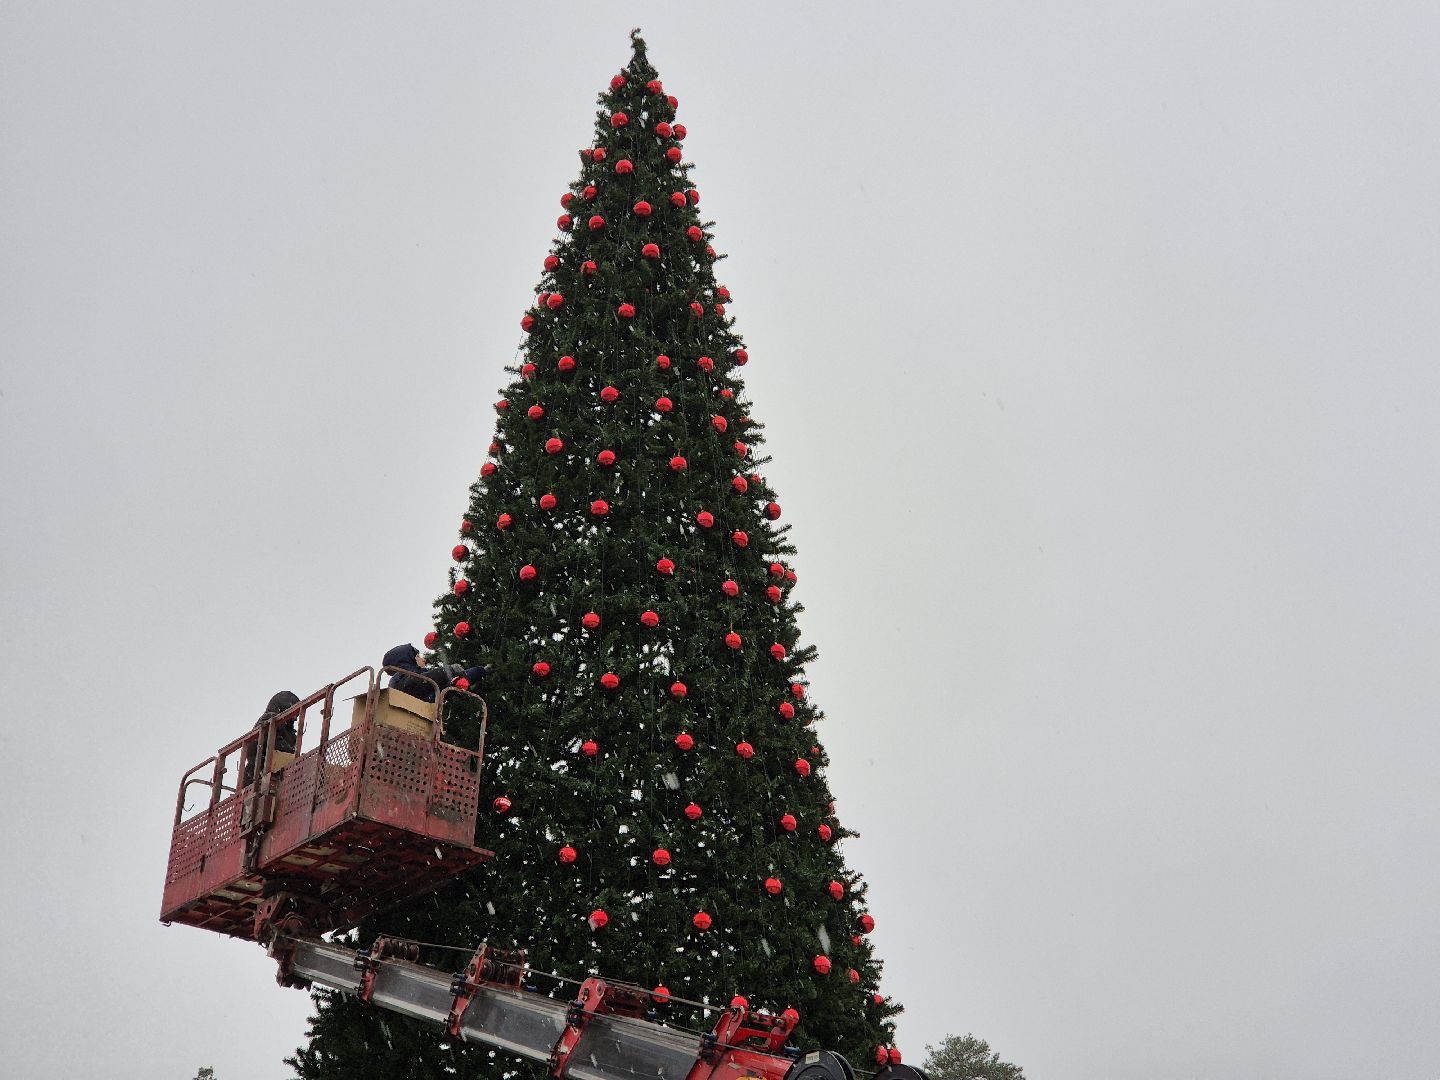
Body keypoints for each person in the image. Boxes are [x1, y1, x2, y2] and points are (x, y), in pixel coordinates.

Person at [381, 643, 485, 703]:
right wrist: (449, 671)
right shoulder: (400, 679)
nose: (423, 659)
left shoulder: (417, 679)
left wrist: (478, 671)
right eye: (417, 656)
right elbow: (421, 682)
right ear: (408, 660)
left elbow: (440, 690)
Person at [243, 690, 300, 785]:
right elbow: (254, 750)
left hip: (281, 774)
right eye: (294, 713)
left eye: (297, 715)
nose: (295, 718)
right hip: (260, 776)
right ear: (284, 708)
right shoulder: (270, 720)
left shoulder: (288, 730)